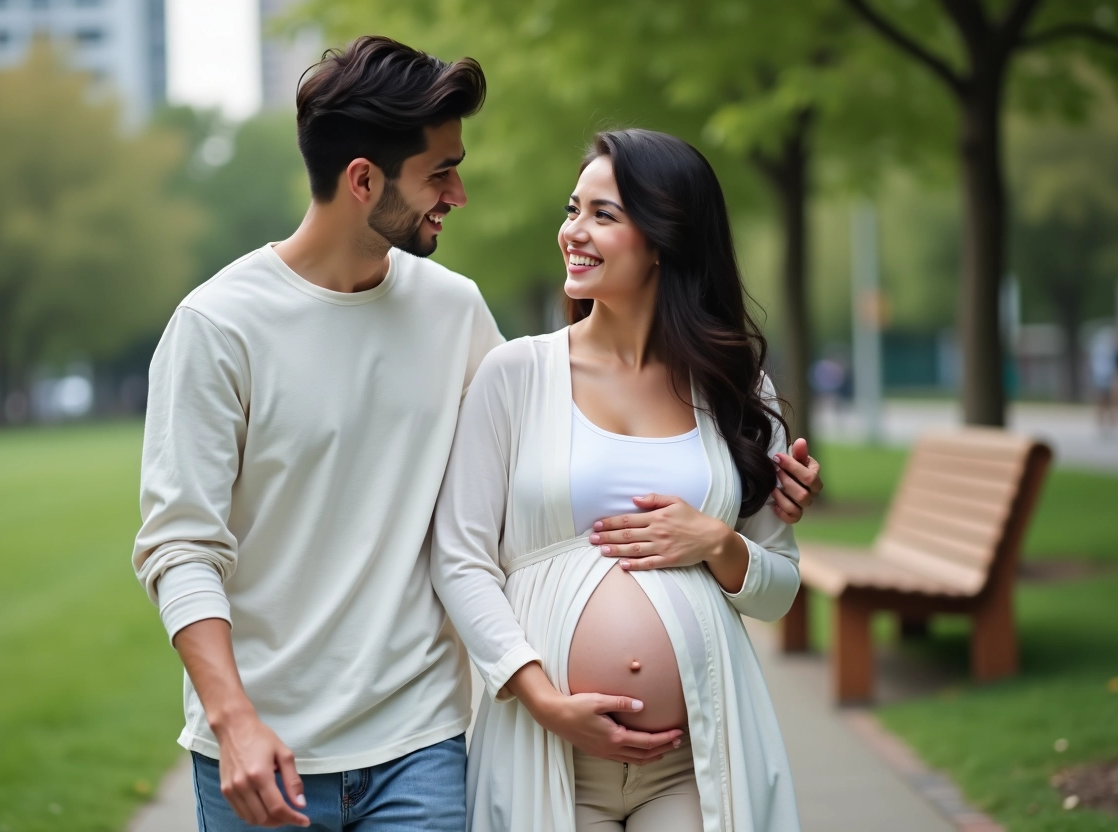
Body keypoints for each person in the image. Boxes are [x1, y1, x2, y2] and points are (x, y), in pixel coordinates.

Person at [134, 37, 823, 832]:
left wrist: (754, 486)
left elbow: (565, 436)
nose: (457, 193)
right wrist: (232, 720)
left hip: (419, 744)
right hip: (263, 751)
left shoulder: (454, 311)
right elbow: (180, 547)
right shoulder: (218, 326)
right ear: (364, 181)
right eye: (440, 171)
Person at [432, 130, 815, 831]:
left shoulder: (735, 390)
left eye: (603, 215)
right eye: (573, 209)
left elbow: (779, 591)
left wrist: (717, 543)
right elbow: (460, 560)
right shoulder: (516, 374)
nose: (573, 232)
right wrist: (541, 697)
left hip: (694, 762)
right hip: (548, 751)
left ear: (666, 238)